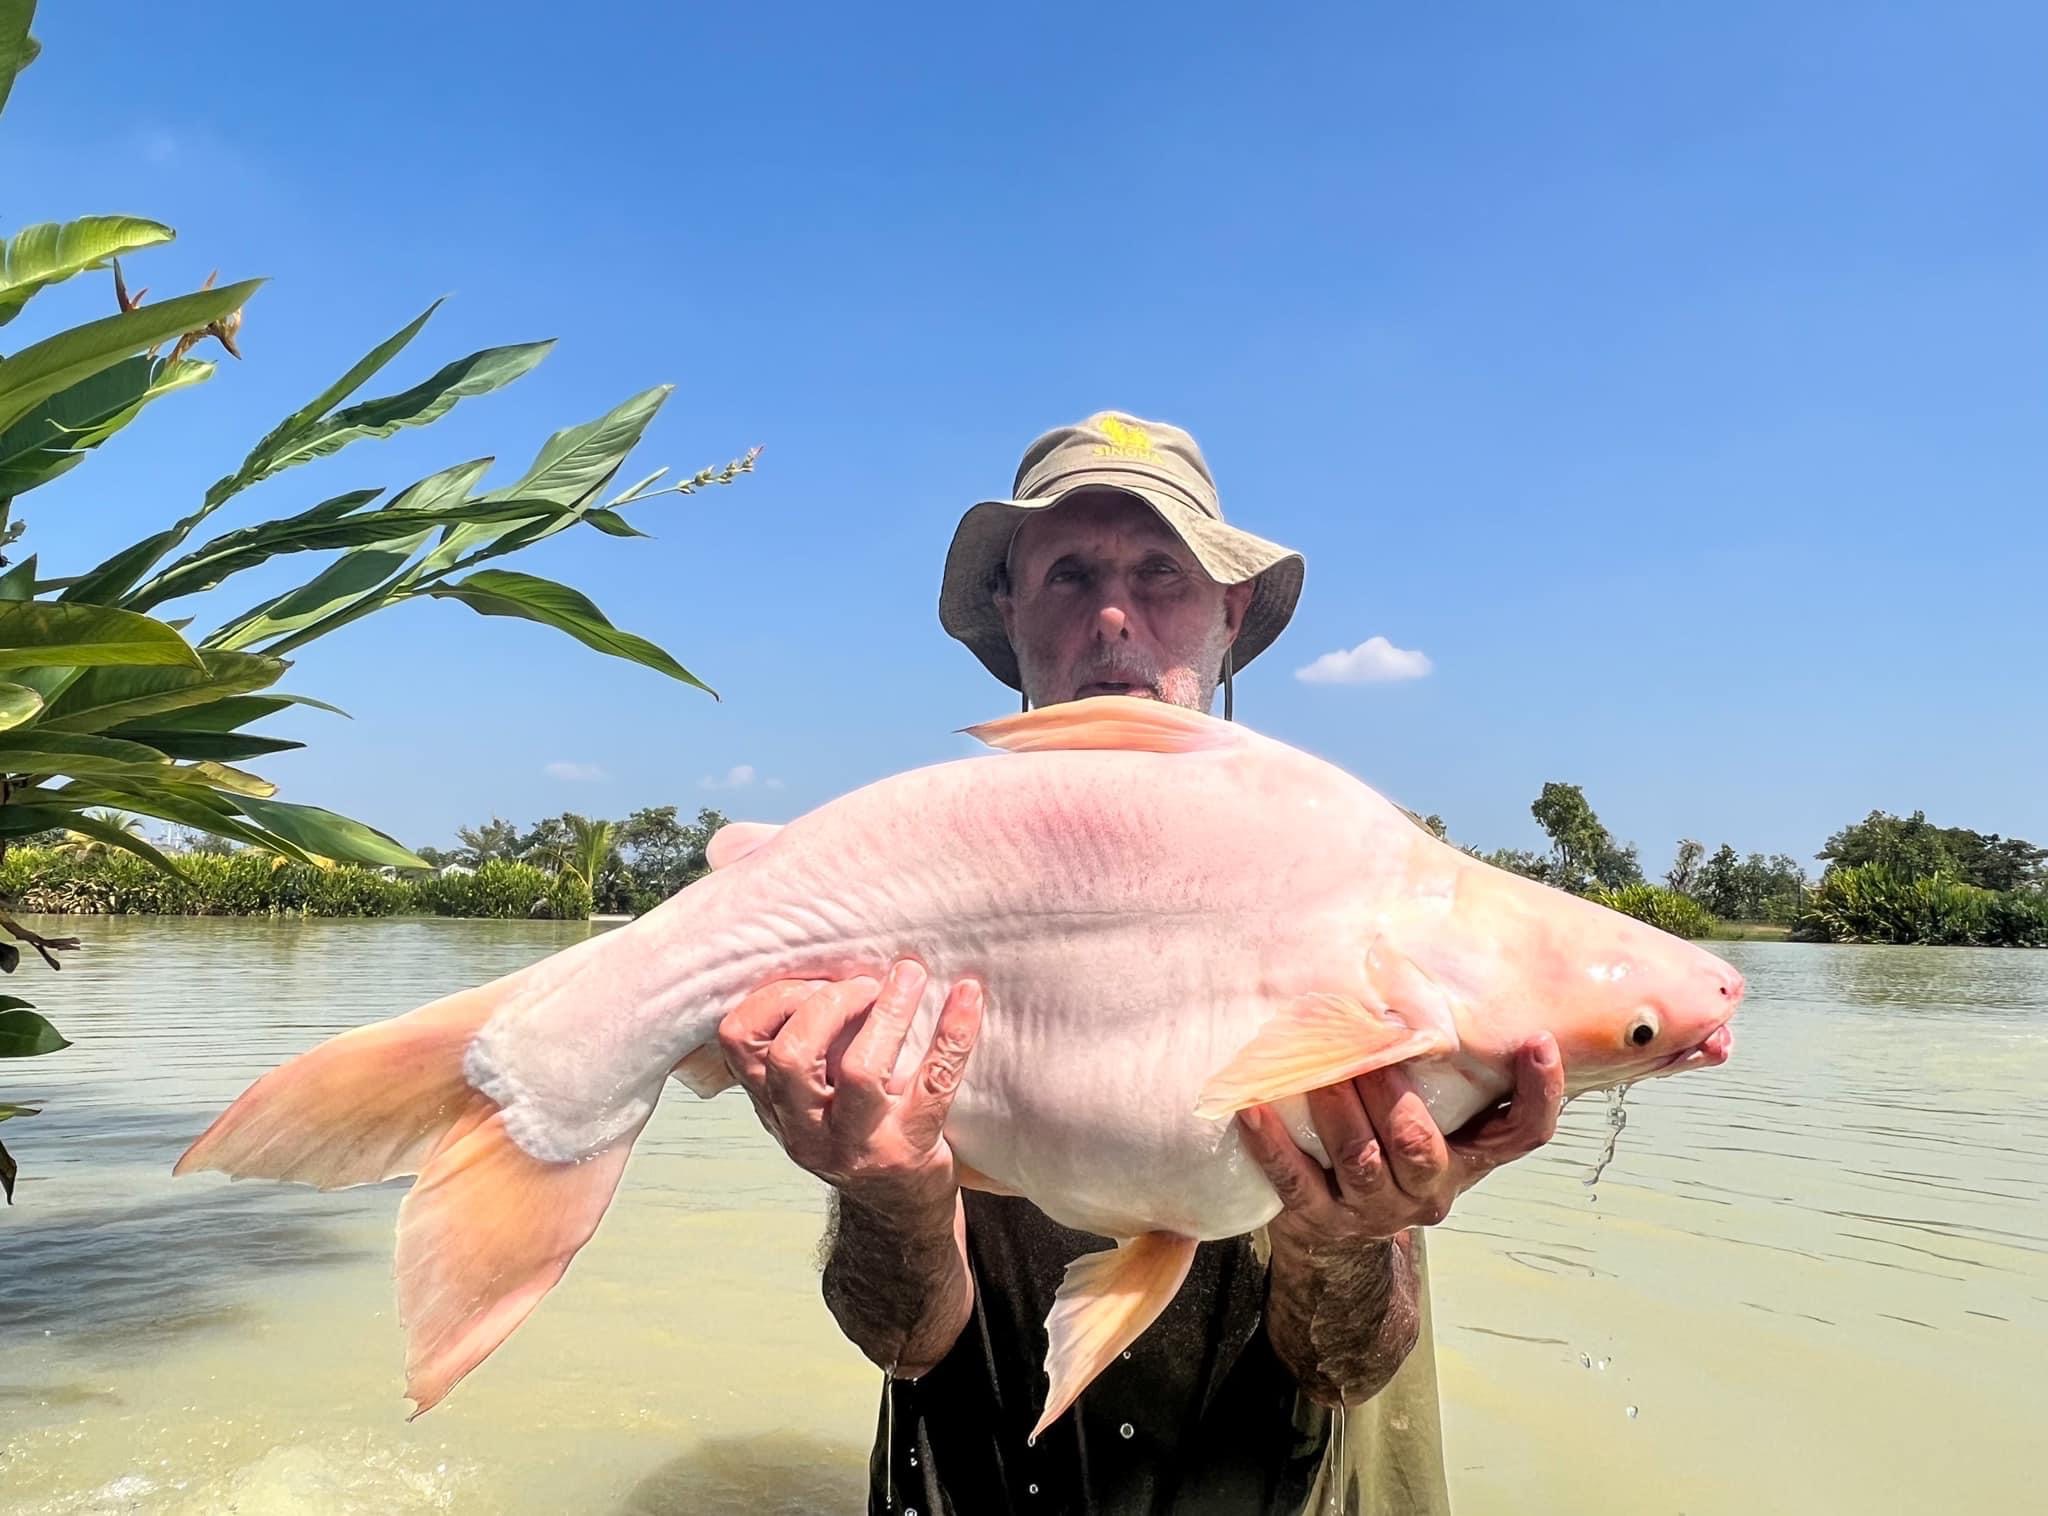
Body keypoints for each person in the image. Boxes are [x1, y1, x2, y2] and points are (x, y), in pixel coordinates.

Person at [715, 412, 1565, 1514]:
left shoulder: (1353, 876)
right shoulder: (899, 885)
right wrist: (893, 1198)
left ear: (1228, 611)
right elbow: (899, 1339)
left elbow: (1346, 1367)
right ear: (1010, 615)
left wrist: (1344, 1231)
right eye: (1067, 574)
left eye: (1159, 571)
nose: (1113, 618)